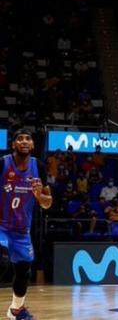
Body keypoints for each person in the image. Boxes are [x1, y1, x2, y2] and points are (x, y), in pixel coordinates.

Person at [0, 129, 53, 319]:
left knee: (23, 272)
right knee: (2, 260)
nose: (24, 141)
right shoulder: (3, 163)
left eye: (27, 139)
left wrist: (40, 196)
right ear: (13, 144)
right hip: (1, 227)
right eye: (19, 139)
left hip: (22, 231)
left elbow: (48, 203)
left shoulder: (38, 166)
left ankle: (16, 310)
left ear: (32, 145)